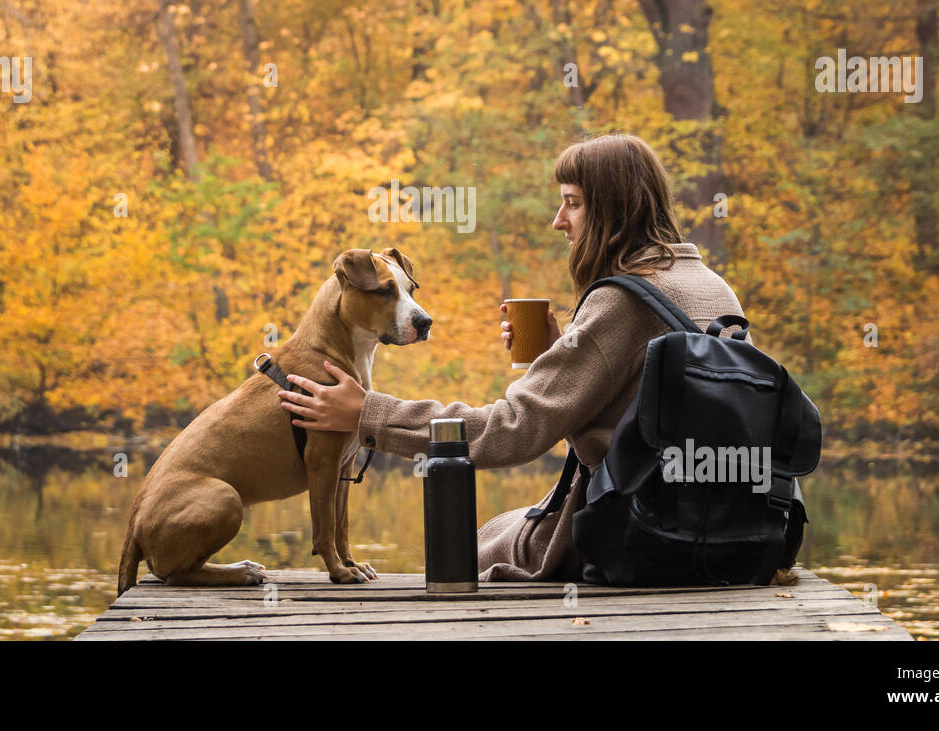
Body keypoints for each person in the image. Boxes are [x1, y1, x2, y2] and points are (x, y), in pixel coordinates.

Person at [277, 132, 754, 582]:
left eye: (573, 203)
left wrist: (368, 413)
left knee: (475, 544)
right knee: (507, 524)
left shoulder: (622, 300)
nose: (558, 220)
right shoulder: (712, 286)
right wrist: (557, 356)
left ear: (613, 208)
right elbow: (663, 412)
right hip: (735, 527)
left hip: (643, 531)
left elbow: (512, 430)